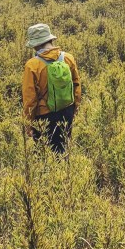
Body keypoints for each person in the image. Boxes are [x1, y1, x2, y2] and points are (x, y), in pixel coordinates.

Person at [22, 22, 82, 153]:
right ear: (50, 39)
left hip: (44, 117)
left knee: (45, 156)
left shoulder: (32, 65)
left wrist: (29, 123)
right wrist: (74, 109)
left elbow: (30, 99)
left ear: (36, 44)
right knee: (63, 151)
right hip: (67, 111)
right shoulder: (68, 58)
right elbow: (76, 85)